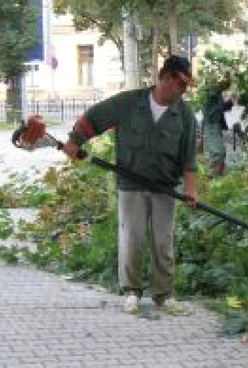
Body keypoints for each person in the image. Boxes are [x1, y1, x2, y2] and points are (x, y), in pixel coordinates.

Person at [62, 55, 199, 315]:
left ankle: (163, 294)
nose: (182, 91)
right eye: (180, 84)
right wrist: (75, 141)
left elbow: (188, 157)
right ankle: (132, 292)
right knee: (132, 239)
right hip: (131, 184)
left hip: (164, 187)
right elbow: (94, 118)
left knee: (163, 242)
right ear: (166, 78)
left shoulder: (184, 114)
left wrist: (191, 190)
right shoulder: (128, 103)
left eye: (185, 86)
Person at [202, 77, 234, 176]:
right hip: (211, 124)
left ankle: (215, 178)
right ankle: (214, 178)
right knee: (218, 153)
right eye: (214, 82)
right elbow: (221, 86)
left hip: (216, 124)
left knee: (217, 154)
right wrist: (228, 74)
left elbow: (219, 108)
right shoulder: (209, 92)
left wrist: (230, 102)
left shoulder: (216, 95)